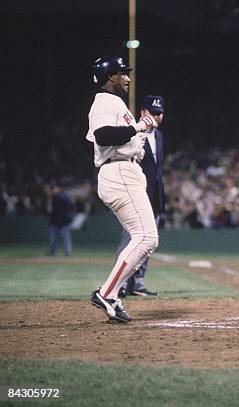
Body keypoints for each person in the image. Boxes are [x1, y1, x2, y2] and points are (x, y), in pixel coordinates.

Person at [86, 56, 159, 323]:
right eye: (122, 73)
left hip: (126, 170)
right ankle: (107, 292)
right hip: (118, 171)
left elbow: (122, 136)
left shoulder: (116, 103)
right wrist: (137, 127)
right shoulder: (104, 101)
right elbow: (103, 135)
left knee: (143, 237)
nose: (127, 78)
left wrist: (139, 133)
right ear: (109, 77)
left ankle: (112, 296)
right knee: (147, 237)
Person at [117, 95, 166, 297]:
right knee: (129, 239)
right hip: (136, 193)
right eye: (153, 112)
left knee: (149, 241)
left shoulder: (160, 136)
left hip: (154, 196)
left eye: (160, 112)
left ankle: (137, 283)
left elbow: (157, 170)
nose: (158, 116)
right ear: (143, 113)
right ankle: (118, 285)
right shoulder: (134, 133)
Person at [47, 184, 74, 256]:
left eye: (55, 188)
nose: (54, 190)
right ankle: (52, 252)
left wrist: (54, 195)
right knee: (53, 238)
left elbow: (68, 204)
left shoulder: (62, 196)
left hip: (63, 220)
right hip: (55, 221)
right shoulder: (52, 198)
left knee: (65, 238)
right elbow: (49, 210)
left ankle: (68, 252)